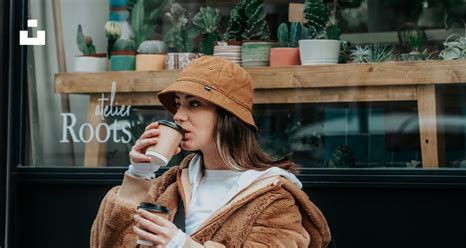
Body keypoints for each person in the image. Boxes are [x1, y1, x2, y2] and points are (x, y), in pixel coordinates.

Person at [90, 56, 331, 248]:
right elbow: (107, 243)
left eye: (194, 104)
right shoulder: (169, 185)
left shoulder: (272, 198)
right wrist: (139, 175)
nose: (178, 115)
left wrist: (181, 245)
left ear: (228, 116)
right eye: (178, 102)